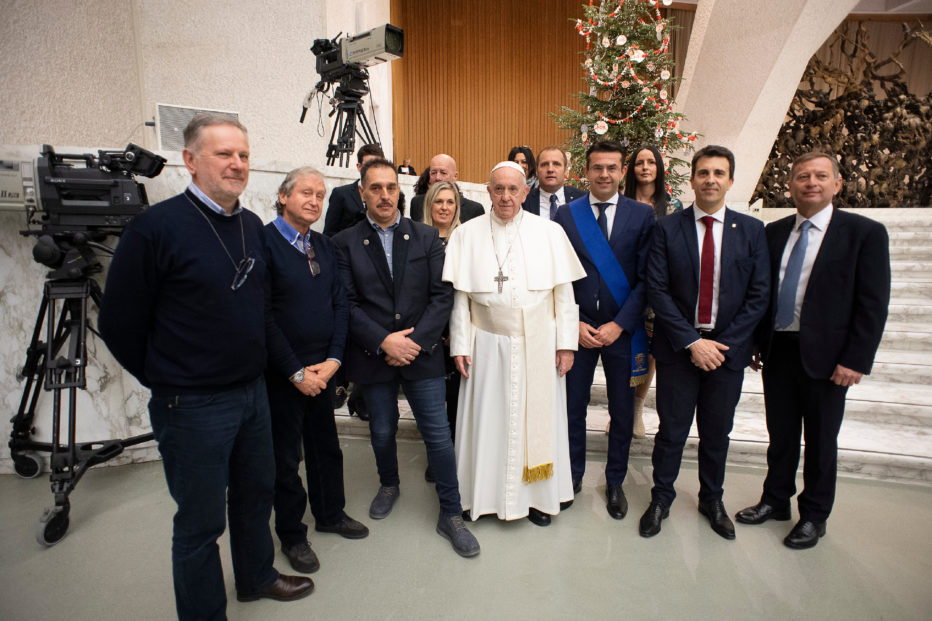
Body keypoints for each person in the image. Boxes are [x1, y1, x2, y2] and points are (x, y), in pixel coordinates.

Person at [98, 114, 313, 618]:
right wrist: (169, 377)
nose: (237, 164)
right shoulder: (155, 229)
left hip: (251, 394)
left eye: (243, 154)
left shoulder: (250, 226)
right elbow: (118, 324)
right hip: (191, 403)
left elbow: (259, 309)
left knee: (255, 495)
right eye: (223, 154)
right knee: (199, 523)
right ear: (190, 160)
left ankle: (257, 576)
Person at [736, 152, 890, 549]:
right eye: (802, 176)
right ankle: (775, 500)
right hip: (779, 350)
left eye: (821, 176)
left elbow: (872, 304)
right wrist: (755, 341)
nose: (811, 183)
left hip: (829, 357)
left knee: (821, 439)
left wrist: (855, 359)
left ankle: (815, 515)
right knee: (781, 433)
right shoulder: (774, 232)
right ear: (790, 186)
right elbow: (762, 294)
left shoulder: (864, 234)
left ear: (837, 184)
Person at [332, 157, 480, 558]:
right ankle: (389, 484)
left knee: (438, 437)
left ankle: (450, 513)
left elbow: (441, 296)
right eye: (375, 188)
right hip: (373, 355)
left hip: (422, 352)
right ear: (362, 192)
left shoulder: (427, 238)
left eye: (391, 187)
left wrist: (411, 342)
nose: (384, 195)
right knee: (381, 431)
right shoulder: (344, 243)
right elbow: (345, 303)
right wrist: (384, 341)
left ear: (400, 191)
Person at [444, 161, 585, 527]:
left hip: (538, 343)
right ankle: (480, 496)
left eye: (513, 189)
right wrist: (460, 345)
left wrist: (566, 344)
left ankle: (538, 498)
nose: (506, 196)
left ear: (526, 192)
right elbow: (461, 299)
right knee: (487, 423)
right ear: (488, 191)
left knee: (536, 424)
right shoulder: (466, 234)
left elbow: (564, 295)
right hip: (486, 346)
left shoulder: (550, 232)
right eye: (498, 189)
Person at [640, 145, 770, 540]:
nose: (710, 179)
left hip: (727, 354)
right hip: (680, 350)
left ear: (731, 181)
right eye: (703, 172)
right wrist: (693, 342)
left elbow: (759, 294)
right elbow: (657, 290)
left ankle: (712, 499)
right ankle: (661, 498)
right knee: (671, 431)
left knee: (717, 433)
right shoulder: (666, 228)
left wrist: (722, 345)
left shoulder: (751, 231)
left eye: (719, 173)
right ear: (692, 179)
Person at [264, 167, 369, 576]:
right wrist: (295, 371)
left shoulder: (323, 246)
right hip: (283, 372)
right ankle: (292, 534)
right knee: (286, 459)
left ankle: (331, 513)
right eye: (305, 192)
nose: (314, 200)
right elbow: (264, 314)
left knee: (326, 447)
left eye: (321, 195)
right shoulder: (265, 243)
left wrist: (334, 361)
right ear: (284, 196)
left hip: (323, 371)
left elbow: (341, 303)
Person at [554, 141, 655, 520]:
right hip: (576, 330)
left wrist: (620, 324)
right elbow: (557, 278)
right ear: (586, 170)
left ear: (622, 170)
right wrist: (573, 321)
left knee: (623, 410)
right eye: (597, 167)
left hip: (622, 332)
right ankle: (572, 476)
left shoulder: (641, 216)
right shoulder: (566, 215)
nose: (604, 174)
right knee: (572, 407)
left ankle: (615, 480)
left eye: (612, 167)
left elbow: (647, 280)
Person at [622, 145, 684, 438]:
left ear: (659, 168)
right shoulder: (619, 203)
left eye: (650, 162)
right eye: (639, 163)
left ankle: (636, 410)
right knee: (622, 351)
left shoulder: (672, 208)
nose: (645, 167)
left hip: (657, 292)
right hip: (624, 288)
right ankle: (618, 408)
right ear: (631, 169)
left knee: (650, 354)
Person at [324, 144, 387, 420]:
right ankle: (340, 385)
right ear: (359, 167)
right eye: (368, 163)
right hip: (349, 265)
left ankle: (362, 398)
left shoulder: (388, 193)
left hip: (377, 274)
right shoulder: (342, 195)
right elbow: (329, 231)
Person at [323, 143, 386, 236]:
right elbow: (329, 233)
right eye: (368, 165)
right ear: (359, 167)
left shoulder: (387, 196)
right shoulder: (341, 194)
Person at [408, 153, 484, 223]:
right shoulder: (417, 203)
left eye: (443, 173)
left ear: (455, 176)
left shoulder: (474, 210)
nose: (437, 177)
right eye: (433, 173)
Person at [522, 145, 586, 220]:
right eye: (544, 164)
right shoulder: (523, 201)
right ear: (536, 171)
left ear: (565, 170)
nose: (550, 169)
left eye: (556, 164)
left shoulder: (582, 200)